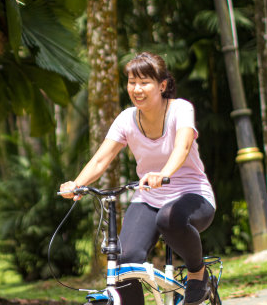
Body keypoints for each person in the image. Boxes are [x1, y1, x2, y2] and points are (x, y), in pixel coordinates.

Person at [59, 52, 216, 305]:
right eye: (132, 82)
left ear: (162, 85)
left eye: (144, 82)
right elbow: (101, 159)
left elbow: (183, 146)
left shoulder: (180, 109)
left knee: (169, 217)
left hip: (192, 195)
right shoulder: (126, 119)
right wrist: (77, 184)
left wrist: (164, 173)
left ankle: (198, 273)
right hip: (148, 197)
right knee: (124, 259)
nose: (137, 89)